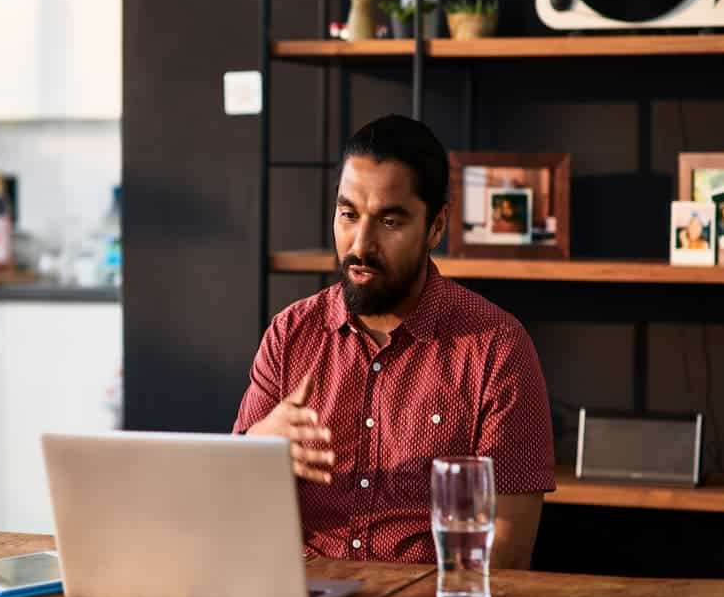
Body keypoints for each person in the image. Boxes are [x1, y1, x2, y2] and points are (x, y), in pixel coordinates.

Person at [233, 115, 555, 568]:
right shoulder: (290, 335)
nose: (360, 244)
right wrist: (256, 446)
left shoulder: (497, 349)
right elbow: (230, 508)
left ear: (437, 226)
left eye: (388, 221)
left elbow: (508, 551)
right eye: (348, 214)